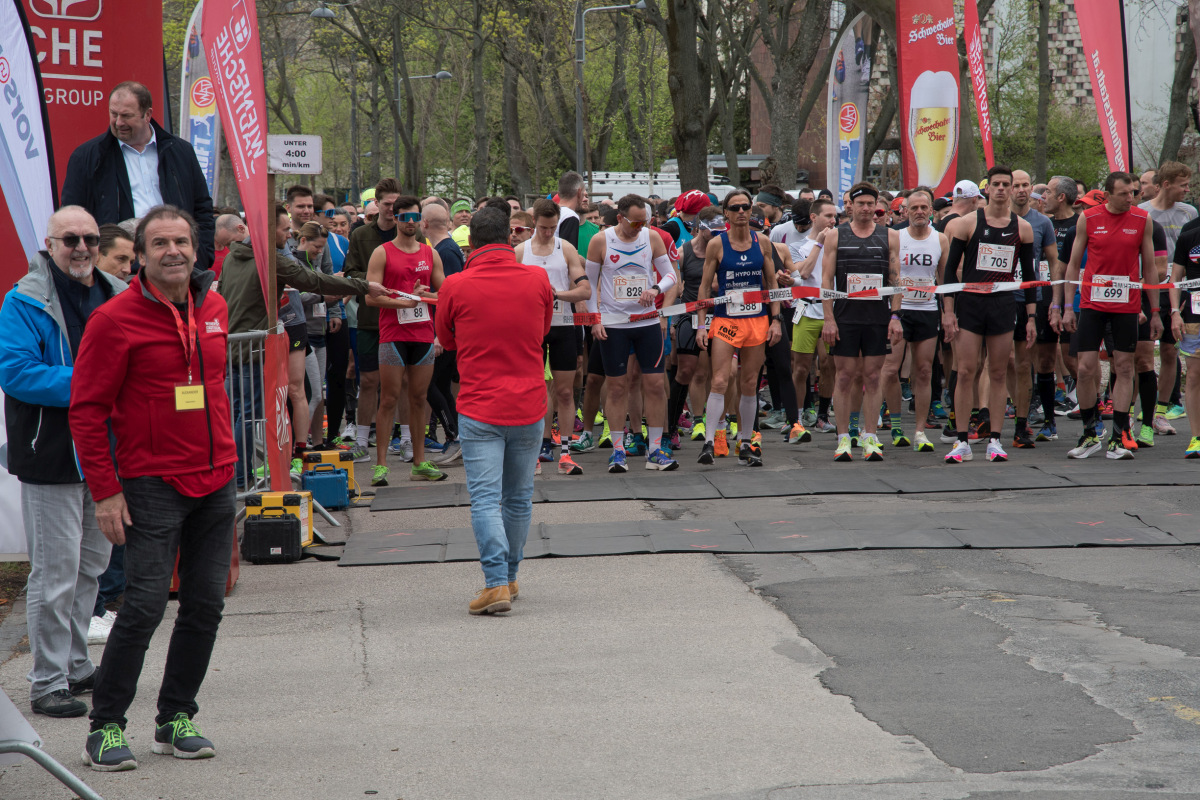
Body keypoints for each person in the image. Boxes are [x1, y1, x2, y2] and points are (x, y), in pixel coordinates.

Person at [69, 205, 234, 771]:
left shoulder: (213, 307)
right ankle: (106, 726)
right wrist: (105, 491)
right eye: (160, 243)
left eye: (181, 241)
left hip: (216, 478)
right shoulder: (114, 320)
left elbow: (213, 385)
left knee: (205, 605)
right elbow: (86, 410)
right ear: (140, 255)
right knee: (141, 607)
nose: (173, 251)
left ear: (196, 248)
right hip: (151, 484)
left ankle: (176, 716)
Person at [0, 207, 126, 718]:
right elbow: (17, 372)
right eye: (70, 238)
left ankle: (75, 665)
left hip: (107, 455)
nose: (81, 247)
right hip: (51, 453)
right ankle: (47, 681)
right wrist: (94, 386)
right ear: (49, 244)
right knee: (54, 575)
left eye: (90, 238)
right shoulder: (23, 299)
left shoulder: (119, 293)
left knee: (91, 569)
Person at [435, 207, 555, 614]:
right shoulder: (537, 278)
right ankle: (509, 577)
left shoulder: (455, 284)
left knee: (486, 499)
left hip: (480, 403)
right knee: (518, 499)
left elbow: (446, 339)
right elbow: (542, 330)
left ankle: (496, 583)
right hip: (528, 402)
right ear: (510, 237)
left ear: (471, 243)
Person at [218, 206, 386, 484]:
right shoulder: (270, 260)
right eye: (285, 229)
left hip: (232, 348)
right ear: (268, 230)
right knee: (247, 416)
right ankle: (239, 479)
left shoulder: (231, 258)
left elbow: (222, 299)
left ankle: (235, 478)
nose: (290, 235)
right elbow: (313, 280)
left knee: (236, 413)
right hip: (252, 350)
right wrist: (363, 286)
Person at [61, 82, 214, 269]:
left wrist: (201, 257)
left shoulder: (181, 151)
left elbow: (202, 209)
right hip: (120, 269)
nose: (118, 122)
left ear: (147, 115)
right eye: (114, 114)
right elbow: (72, 217)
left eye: (126, 116)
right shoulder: (87, 157)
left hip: (177, 262)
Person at [942, 165, 1037, 463]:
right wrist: (948, 311)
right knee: (966, 371)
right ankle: (961, 440)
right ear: (987, 188)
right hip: (970, 304)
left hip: (1002, 305)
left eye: (1006, 184)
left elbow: (1029, 276)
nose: (1001, 189)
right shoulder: (967, 223)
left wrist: (1031, 317)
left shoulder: (1023, 228)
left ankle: (995, 440)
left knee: (998, 372)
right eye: (996, 184)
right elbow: (949, 272)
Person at [1062, 172, 1159, 459]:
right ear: (1108, 195)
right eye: (1124, 193)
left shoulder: (1142, 219)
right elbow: (1072, 265)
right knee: (1084, 368)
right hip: (1092, 303)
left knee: (1124, 367)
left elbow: (1150, 268)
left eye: (1134, 193)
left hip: (1126, 304)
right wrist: (1067, 306)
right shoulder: (1088, 218)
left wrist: (1154, 311)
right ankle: (1090, 434)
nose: (1131, 198)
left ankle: (1118, 437)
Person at [584, 194, 679, 472]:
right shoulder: (600, 240)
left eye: (644, 222)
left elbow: (670, 275)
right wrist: (595, 319)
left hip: (647, 322)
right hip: (614, 324)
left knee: (655, 385)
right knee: (617, 387)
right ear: (620, 218)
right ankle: (617, 451)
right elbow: (589, 284)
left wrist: (656, 289)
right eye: (635, 223)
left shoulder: (651, 237)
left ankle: (655, 450)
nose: (640, 227)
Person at [696, 191, 783, 466]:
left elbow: (772, 285)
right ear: (726, 213)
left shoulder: (763, 242)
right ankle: (709, 442)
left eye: (746, 207)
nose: (742, 212)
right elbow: (704, 288)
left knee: (749, 383)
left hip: (757, 320)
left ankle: (746, 444)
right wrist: (701, 325)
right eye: (735, 208)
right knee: (720, 380)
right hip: (726, 320)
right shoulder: (717, 244)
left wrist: (777, 320)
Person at [365, 196, 447, 485]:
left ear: (421, 220)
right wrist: (406, 301)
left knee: (419, 398)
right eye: (404, 218)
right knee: (388, 398)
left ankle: (419, 463)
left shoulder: (430, 253)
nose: (410, 223)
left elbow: (444, 295)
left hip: (422, 335)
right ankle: (381, 465)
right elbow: (370, 297)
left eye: (414, 218)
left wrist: (424, 296)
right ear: (395, 218)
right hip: (393, 335)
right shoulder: (382, 253)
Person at [820, 183, 902, 462]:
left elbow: (896, 279)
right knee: (844, 376)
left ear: (877, 206)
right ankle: (843, 437)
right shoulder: (835, 235)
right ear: (850, 206)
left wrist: (895, 316)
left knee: (873, 376)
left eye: (871, 204)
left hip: (877, 317)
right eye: (861, 204)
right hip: (845, 316)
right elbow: (826, 281)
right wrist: (828, 319)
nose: (866, 209)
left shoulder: (890, 235)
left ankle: (870, 435)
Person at [515, 199, 591, 474]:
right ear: (534, 223)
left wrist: (556, 294)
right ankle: (534, 454)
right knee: (533, 392)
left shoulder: (565, 248)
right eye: (543, 228)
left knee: (565, 392)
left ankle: (566, 455)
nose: (548, 233)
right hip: (532, 330)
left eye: (552, 228)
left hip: (562, 325)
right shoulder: (520, 252)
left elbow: (585, 290)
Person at [881, 187, 947, 452]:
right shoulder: (895, 236)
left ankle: (920, 430)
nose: (919, 212)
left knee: (924, 371)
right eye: (914, 208)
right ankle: (896, 427)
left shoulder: (940, 239)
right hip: (899, 310)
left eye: (924, 207)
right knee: (890, 369)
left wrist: (948, 313)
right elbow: (888, 275)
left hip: (927, 310)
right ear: (905, 211)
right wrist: (891, 312)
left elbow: (944, 280)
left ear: (931, 210)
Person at [345, 179, 403, 461]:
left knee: (402, 382)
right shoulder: (360, 235)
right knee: (368, 381)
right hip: (370, 319)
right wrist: (374, 280)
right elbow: (350, 273)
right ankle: (361, 441)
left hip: (403, 318)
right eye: (387, 204)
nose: (392, 209)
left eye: (396, 204)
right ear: (376, 204)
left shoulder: (409, 232)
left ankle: (404, 439)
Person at [1140, 162, 1197, 428]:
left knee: (1169, 351)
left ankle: (1162, 412)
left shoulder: (1188, 212)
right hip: (1147, 287)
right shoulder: (1142, 211)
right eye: (1182, 185)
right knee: (1140, 353)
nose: (1187, 190)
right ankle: (1136, 412)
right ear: (1166, 184)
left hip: (1178, 290)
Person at [1008, 169, 1059, 448]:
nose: (1020, 189)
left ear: (1031, 189)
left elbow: (1054, 262)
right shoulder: (996, 219)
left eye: (1025, 185)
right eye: (1016, 185)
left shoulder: (1042, 223)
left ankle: (1028, 420)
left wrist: (1056, 301)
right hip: (1002, 299)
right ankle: (994, 415)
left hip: (1033, 299)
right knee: (1001, 363)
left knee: (1029, 362)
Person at [789, 198, 840, 435]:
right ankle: (796, 419)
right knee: (801, 368)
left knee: (828, 364)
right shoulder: (798, 246)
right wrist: (819, 243)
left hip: (832, 311)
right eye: (828, 216)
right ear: (813, 217)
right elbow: (804, 272)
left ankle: (822, 416)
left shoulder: (840, 242)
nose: (833, 220)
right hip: (807, 310)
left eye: (835, 216)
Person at [1168, 216, 1200, 457]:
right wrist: (1174, 312)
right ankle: (1196, 437)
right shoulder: (1189, 236)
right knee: (1195, 375)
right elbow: (1175, 279)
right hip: (1193, 316)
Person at [556, 171, 586, 248]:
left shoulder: (549, 212)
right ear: (579, 192)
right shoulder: (569, 216)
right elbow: (567, 251)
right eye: (583, 194)